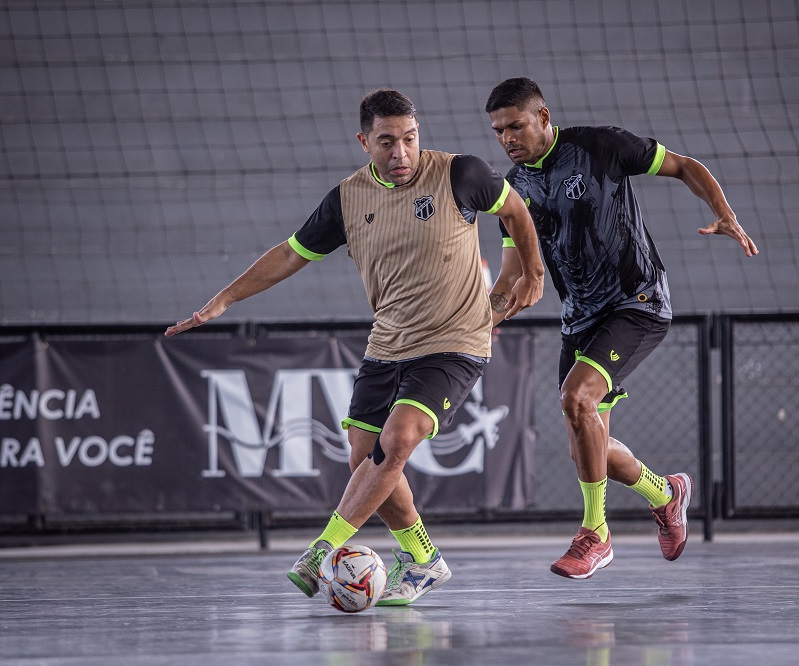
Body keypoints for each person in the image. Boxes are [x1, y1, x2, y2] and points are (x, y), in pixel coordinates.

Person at [167, 89, 545, 604]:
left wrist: (528, 275)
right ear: (364, 142)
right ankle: (424, 558)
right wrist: (223, 301)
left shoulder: (462, 174)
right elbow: (290, 254)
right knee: (366, 460)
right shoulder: (346, 199)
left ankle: (322, 550)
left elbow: (517, 213)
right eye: (387, 142)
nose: (401, 154)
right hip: (387, 345)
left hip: (456, 341)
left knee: (398, 439)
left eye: (409, 139)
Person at [484, 77, 757, 579]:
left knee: (576, 399)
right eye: (499, 131)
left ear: (543, 117)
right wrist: (487, 317)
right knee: (590, 449)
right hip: (580, 320)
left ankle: (596, 534)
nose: (507, 139)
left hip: (638, 301)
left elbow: (684, 166)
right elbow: (511, 276)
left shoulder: (599, 146)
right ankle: (666, 493)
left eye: (516, 126)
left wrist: (724, 213)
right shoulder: (513, 190)